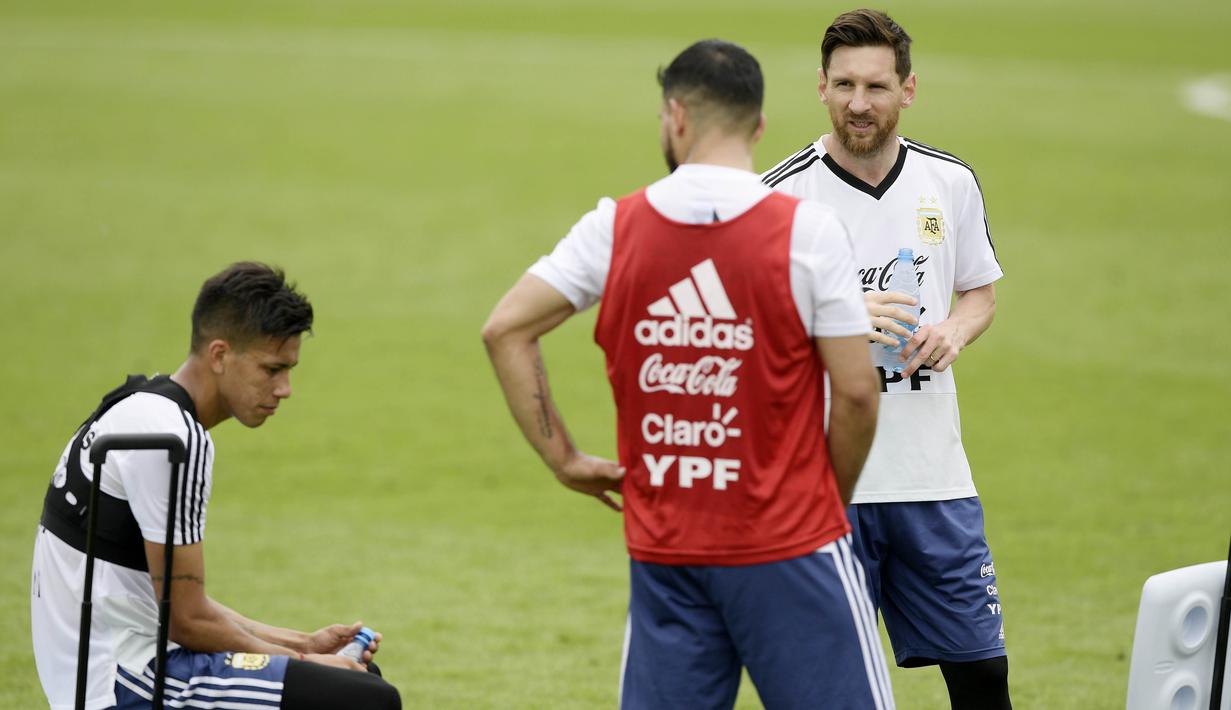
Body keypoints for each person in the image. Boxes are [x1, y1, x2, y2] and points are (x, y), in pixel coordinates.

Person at [483, 39, 892, 709]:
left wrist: (561, 458)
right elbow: (854, 392)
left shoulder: (614, 227)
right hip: (788, 544)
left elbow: (505, 328)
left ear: (675, 116)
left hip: (666, 547)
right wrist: (826, 504)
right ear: (758, 127)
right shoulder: (807, 232)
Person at [763, 9, 1011, 709]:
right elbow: (749, 334)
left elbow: (978, 295)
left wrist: (957, 332)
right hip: (826, 489)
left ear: (907, 89)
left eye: (875, 85)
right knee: (826, 692)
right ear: (819, 87)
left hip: (934, 480)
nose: (857, 103)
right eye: (842, 84)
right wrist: (836, 317)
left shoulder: (948, 183)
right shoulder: (778, 197)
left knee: (982, 677)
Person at [31, 262, 401, 710]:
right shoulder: (171, 439)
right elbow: (186, 620)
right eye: (272, 369)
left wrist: (305, 643)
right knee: (363, 699)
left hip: (119, 663)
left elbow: (182, 603)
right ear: (220, 354)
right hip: (125, 683)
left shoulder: (142, 407)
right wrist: (304, 659)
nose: (285, 389)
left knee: (354, 681)